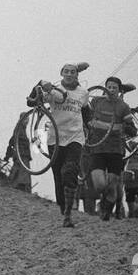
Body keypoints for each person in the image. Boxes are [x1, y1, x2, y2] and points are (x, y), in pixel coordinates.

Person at [27, 62, 91, 227]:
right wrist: (40, 83)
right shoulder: (53, 90)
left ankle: (68, 215)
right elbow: (32, 102)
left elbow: (86, 110)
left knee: (69, 171)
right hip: (55, 138)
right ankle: (63, 208)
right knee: (58, 176)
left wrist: (89, 125)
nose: (69, 74)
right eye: (66, 72)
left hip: (75, 137)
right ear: (61, 73)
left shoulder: (83, 92)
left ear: (77, 75)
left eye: (73, 72)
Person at [84, 76, 137, 222]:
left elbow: (133, 130)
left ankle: (106, 212)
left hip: (115, 150)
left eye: (114, 87)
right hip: (98, 148)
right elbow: (86, 115)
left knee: (113, 183)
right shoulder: (96, 102)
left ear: (119, 90)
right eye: (109, 87)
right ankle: (107, 202)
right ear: (105, 88)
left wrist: (125, 127)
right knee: (100, 184)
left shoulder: (123, 106)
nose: (111, 90)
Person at [4, 111, 34, 192]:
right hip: (21, 154)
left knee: (20, 170)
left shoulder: (22, 129)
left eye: (28, 119)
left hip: (23, 154)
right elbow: (13, 141)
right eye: (25, 119)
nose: (27, 121)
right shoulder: (18, 129)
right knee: (21, 170)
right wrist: (8, 155)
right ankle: (20, 186)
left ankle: (18, 185)